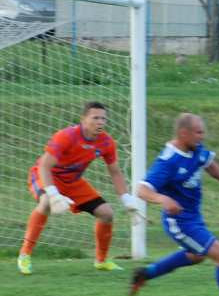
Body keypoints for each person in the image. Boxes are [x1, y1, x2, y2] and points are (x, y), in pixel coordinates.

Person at [129, 113, 219, 296]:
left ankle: (146, 273)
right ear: (184, 133)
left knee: (197, 256)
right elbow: (142, 190)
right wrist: (162, 199)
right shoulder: (168, 161)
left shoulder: (196, 149)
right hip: (179, 222)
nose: (202, 136)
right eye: (198, 132)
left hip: (194, 218)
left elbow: (209, 165)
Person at [17, 102, 140, 275]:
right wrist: (53, 194)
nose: (100, 122)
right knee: (45, 203)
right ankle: (25, 255)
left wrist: (126, 198)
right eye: (95, 118)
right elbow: (45, 166)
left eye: (103, 118)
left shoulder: (106, 142)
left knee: (106, 213)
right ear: (83, 119)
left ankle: (101, 261)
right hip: (44, 175)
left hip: (73, 182)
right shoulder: (66, 136)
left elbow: (115, 172)